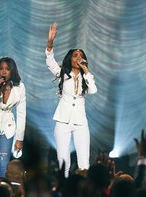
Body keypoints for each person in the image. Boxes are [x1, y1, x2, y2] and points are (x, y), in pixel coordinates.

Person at [45, 21, 97, 177]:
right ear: (70, 59)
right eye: (75, 56)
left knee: (84, 162)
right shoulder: (62, 73)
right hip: (63, 121)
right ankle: (64, 189)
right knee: (63, 161)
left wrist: (86, 70)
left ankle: (83, 191)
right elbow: (50, 62)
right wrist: (50, 42)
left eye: (81, 56)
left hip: (81, 122)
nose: (78, 58)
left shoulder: (85, 77)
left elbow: (93, 90)